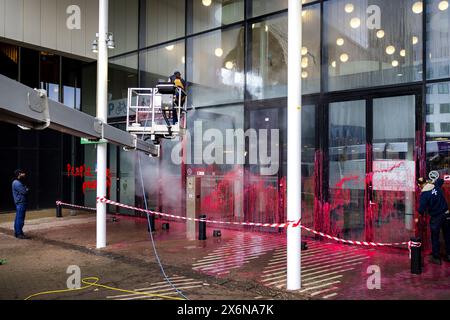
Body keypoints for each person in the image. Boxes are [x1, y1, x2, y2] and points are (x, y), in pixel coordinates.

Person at [417, 177, 450, 265]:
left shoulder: (424, 194)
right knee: (447, 236)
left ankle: (436, 257)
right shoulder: (436, 186)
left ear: (419, 185)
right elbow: (441, 180)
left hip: (436, 217)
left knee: (435, 237)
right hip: (446, 214)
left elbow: (421, 209)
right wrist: (433, 181)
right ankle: (449, 255)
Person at [12, 169, 29, 239]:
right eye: (23, 173)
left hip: (19, 202)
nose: (24, 174)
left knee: (18, 218)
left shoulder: (16, 182)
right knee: (20, 219)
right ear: (19, 174)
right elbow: (25, 191)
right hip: (21, 202)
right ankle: (19, 234)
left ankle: (17, 233)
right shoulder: (17, 183)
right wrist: (26, 189)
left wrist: (25, 188)